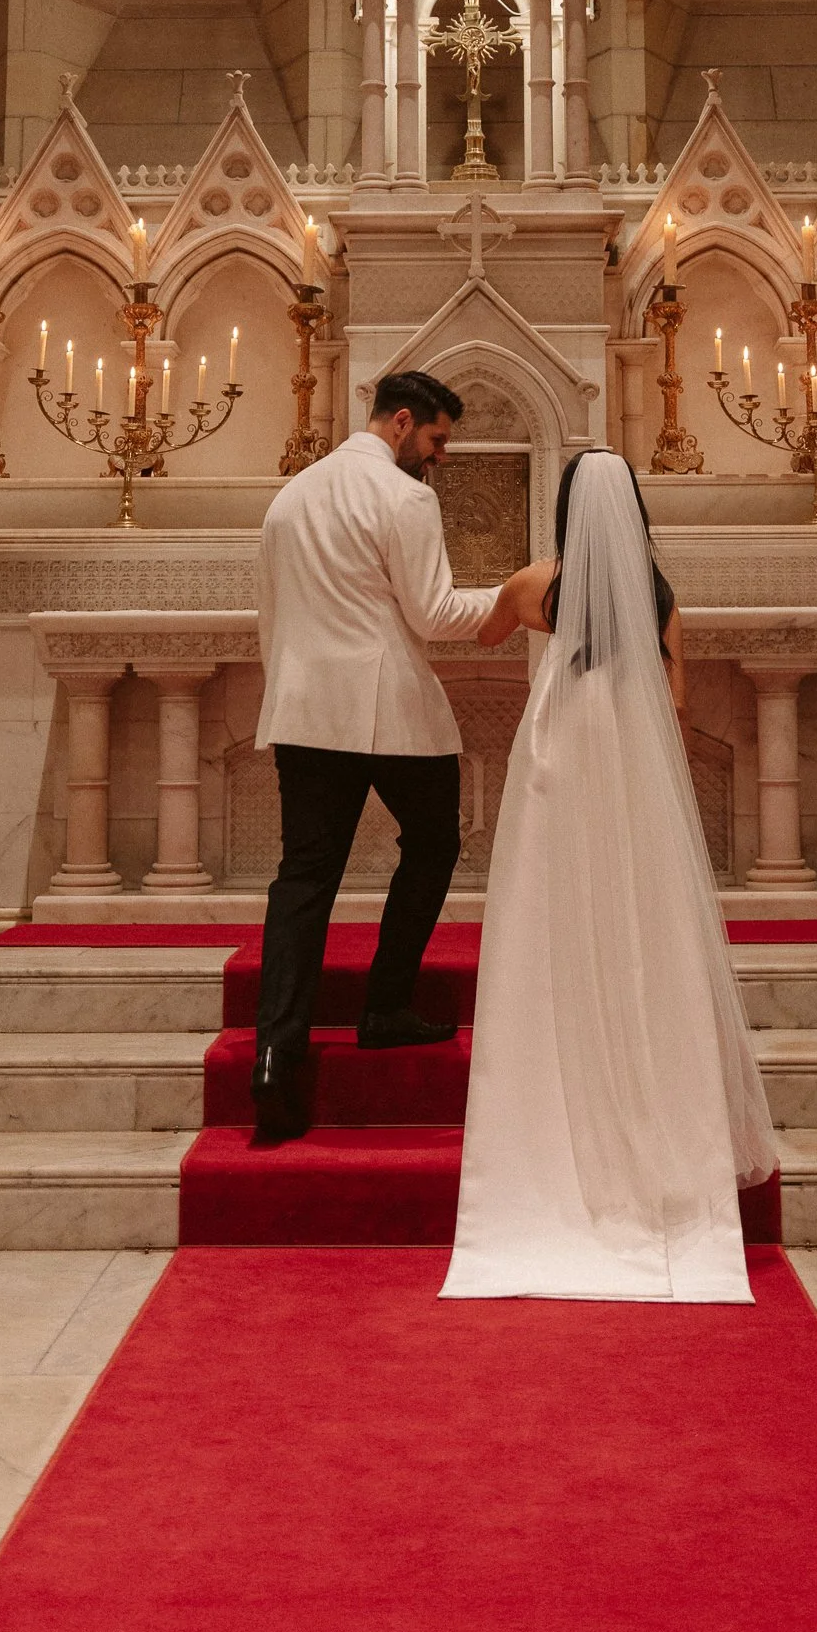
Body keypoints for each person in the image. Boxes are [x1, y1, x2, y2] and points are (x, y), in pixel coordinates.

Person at [443, 450, 776, 1302]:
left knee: (549, 905)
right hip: (628, 767)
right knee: (639, 909)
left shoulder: (532, 585)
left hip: (560, 756)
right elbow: (677, 704)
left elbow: (477, 633)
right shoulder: (658, 595)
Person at [250, 371, 500, 1140]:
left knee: (304, 876)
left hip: (302, 708)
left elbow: (273, 614)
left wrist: (292, 691)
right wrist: (519, 601)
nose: (441, 457)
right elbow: (434, 614)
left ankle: (274, 1052)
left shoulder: (290, 495)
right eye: (437, 439)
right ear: (400, 423)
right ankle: (386, 1008)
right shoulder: (403, 498)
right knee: (433, 843)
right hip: (387, 709)